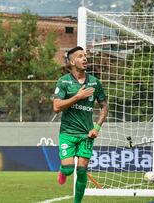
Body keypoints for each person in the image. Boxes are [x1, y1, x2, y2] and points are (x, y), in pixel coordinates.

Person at [53, 46, 108, 203]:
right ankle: (63, 171)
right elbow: (56, 107)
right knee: (69, 170)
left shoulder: (95, 82)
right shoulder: (63, 82)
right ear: (72, 61)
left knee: (82, 171)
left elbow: (104, 106)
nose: (85, 58)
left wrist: (96, 127)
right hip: (68, 133)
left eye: (85, 56)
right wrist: (77, 97)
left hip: (86, 134)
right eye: (80, 56)